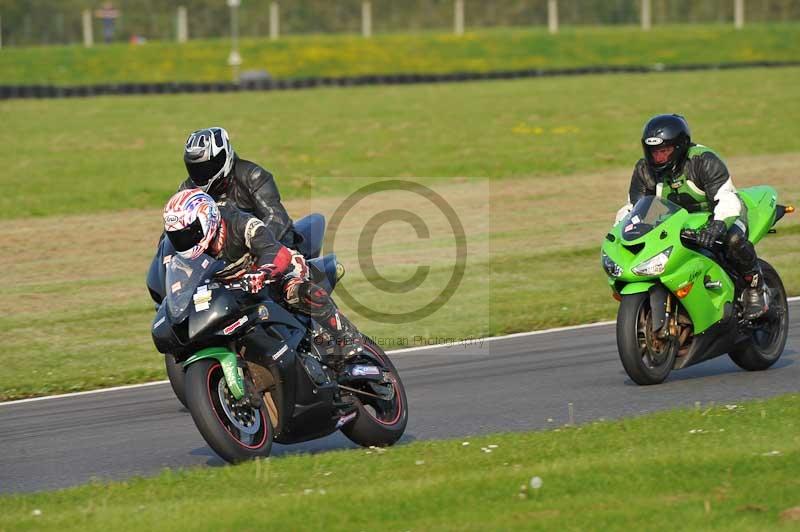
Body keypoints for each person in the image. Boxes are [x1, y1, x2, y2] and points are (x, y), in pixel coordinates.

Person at [162, 188, 361, 358]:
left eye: (188, 234)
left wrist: (263, 273)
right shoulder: (186, 254)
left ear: (207, 220)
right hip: (236, 288)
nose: (183, 242)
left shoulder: (240, 223)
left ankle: (346, 336)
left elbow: (276, 252)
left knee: (297, 290)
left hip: (275, 270)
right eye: (177, 237)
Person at [615, 114, 768, 320]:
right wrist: (620, 230)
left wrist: (717, 225)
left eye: (664, 151)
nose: (658, 158)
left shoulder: (703, 161)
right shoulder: (644, 170)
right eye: (654, 152)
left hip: (721, 214)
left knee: (732, 240)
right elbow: (635, 209)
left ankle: (755, 288)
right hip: (678, 224)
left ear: (680, 147)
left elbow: (727, 198)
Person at [180, 127, 297, 247]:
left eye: (206, 167)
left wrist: (255, 245)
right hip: (220, 252)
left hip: (266, 246)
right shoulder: (188, 190)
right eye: (195, 169)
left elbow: (276, 217)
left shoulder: (254, 176)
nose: (201, 174)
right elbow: (175, 224)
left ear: (223, 158)